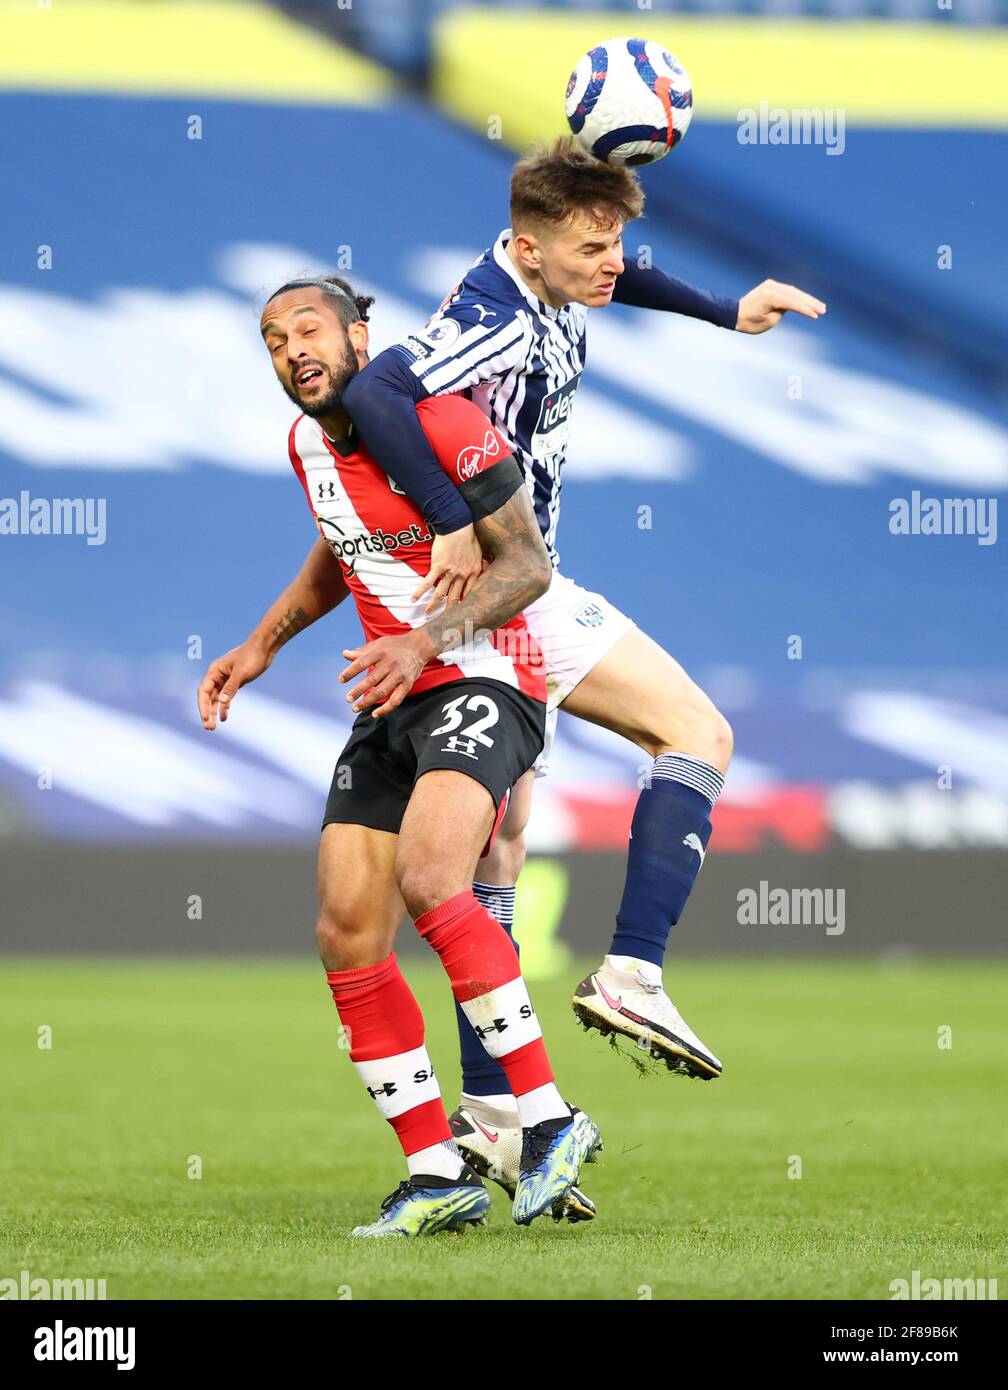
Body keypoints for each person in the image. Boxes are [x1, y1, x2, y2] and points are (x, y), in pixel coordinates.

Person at [339, 138, 826, 1166]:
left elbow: (604, 260)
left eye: (618, 244)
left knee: (496, 853)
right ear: (528, 247)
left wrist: (723, 309)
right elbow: (381, 392)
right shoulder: (491, 315)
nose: (613, 263)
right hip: (521, 590)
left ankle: (494, 1124)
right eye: (596, 247)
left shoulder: (547, 270)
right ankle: (632, 972)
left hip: (500, 594)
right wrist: (452, 517)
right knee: (694, 730)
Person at [198, 276, 600, 1236]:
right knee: (344, 931)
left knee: (432, 877)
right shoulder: (305, 444)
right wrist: (264, 643)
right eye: (272, 340)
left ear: (359, 336)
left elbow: (527, 565)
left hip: (486, 674)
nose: (292, 349)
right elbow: (344, 545)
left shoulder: (440, 417)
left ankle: (547, 1122)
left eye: (309, 329)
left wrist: (424, 641)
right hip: (393, 696)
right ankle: (434, 1170)